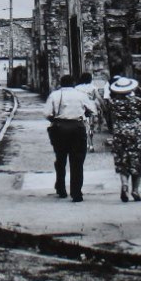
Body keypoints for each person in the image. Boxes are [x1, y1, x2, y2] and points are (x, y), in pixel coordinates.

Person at [104, 75, 141, 202]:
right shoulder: (137, 101)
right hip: (136, 130)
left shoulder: (113, 102)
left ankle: (125, 184)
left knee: (122, 159)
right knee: (138, 159)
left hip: (120, 131)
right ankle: (135, 190)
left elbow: (105, 105)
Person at [44, 73, 92, 202]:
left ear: (61, 83)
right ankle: (76, 193)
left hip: (60, 128)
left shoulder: (55, 95)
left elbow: (47, 113)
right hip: (77, 127)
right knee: (77, 160)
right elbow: (91, 110)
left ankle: (61, 188)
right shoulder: (81, 95)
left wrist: (56, 119)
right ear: (73, 83)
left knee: (60, 158)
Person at [75, 71, 102, 151]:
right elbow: (99, 98)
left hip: (81, 108)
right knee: (91, 127)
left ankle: (87, 143)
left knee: (84, 126)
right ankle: (91, 145)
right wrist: (103, 106)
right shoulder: (93, 87)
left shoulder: (77, 88)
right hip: (91, 107)